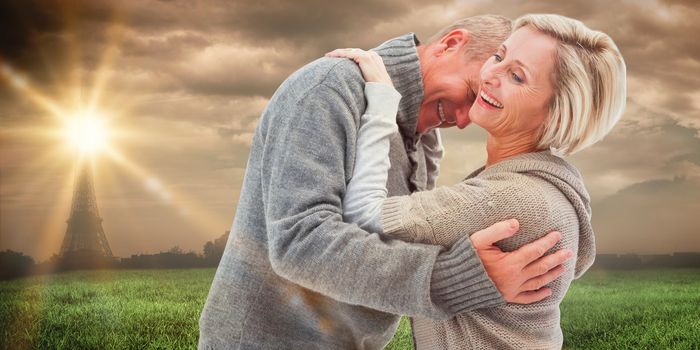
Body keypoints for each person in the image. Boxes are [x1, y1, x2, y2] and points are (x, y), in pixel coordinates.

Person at [199, 15, 575, 349]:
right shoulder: (330, 88)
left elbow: (390, 232)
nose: (465, 119)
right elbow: (301, 243)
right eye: (473, 92)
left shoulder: (425, 133)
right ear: (451, 43)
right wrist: (458, 278)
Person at [329, 13, 626, 349]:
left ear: (557, 112)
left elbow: (363, 216)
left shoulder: (513, 199)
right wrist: (423, 126)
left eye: (516, 76)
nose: (490, 75)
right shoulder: (543, 184)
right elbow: (431, 217)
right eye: (498, 56)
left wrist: (383, 102)